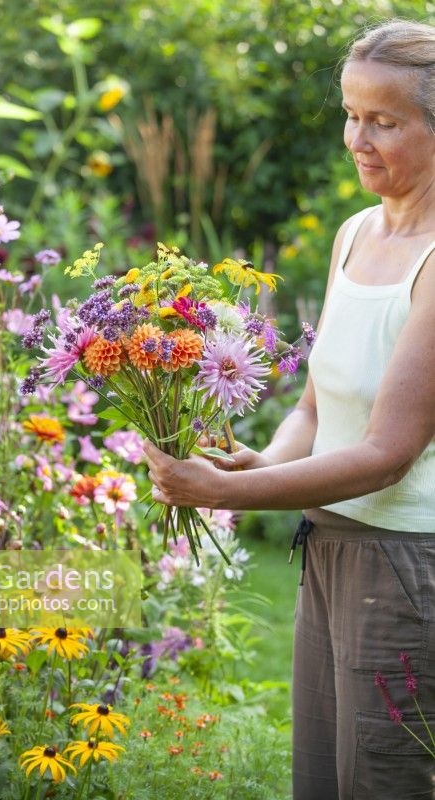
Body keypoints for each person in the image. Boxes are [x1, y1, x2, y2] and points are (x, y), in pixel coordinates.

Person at [143, 19, 435, 800]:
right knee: (321, 778)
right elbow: (312, 406)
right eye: (349, 113)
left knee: (384, 781)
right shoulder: (353, 235)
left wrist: (225, 493)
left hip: (404, 567)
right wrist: (267, 461)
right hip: (332, 548)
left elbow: (387, 453)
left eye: (384, 121)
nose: (356, 138)